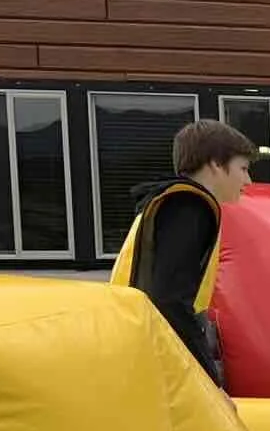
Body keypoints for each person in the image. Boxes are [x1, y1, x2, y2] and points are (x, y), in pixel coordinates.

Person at [109, 119, 259, 388]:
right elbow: (170, 300)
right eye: (243, 168)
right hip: (157, 347)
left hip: (132, 338)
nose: (248, 180)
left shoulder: (167, 201)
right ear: (215, 164)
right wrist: (206, 379)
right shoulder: (189, 207)